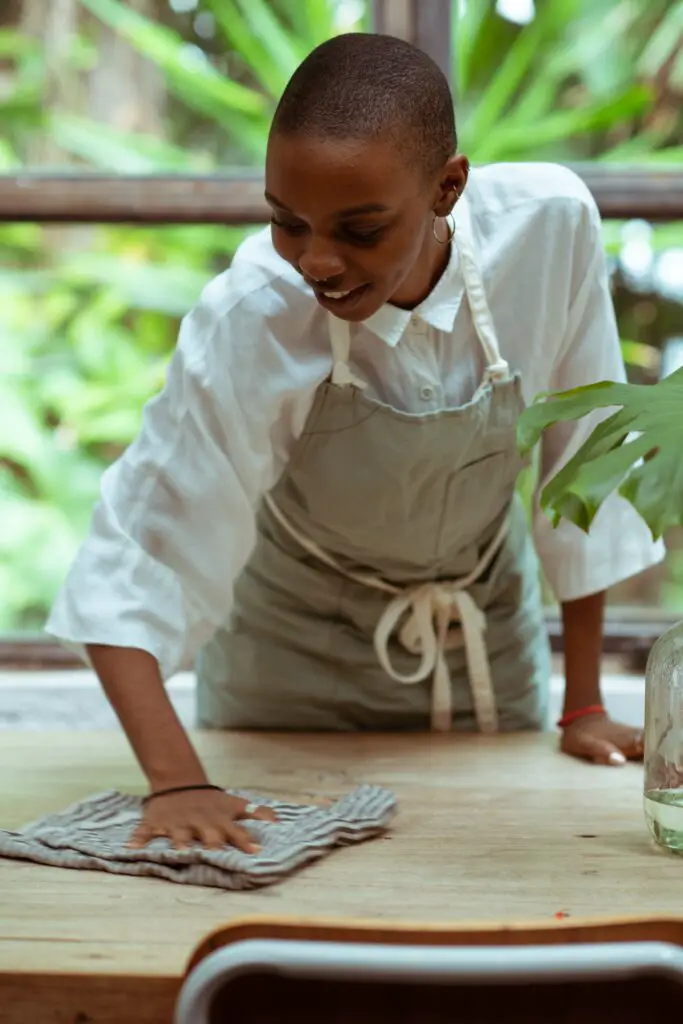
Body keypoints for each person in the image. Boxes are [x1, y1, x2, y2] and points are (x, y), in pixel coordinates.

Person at [47, 33, 664, 853]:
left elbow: (583, 459)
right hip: (284, 676)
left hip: (481, 661)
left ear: (448, 187)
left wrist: (582, 702)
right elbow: (135, 555)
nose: (316, 260)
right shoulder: (253, 316)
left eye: (359, 228)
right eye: (285, 222)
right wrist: (179, 782)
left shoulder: (547, 230)